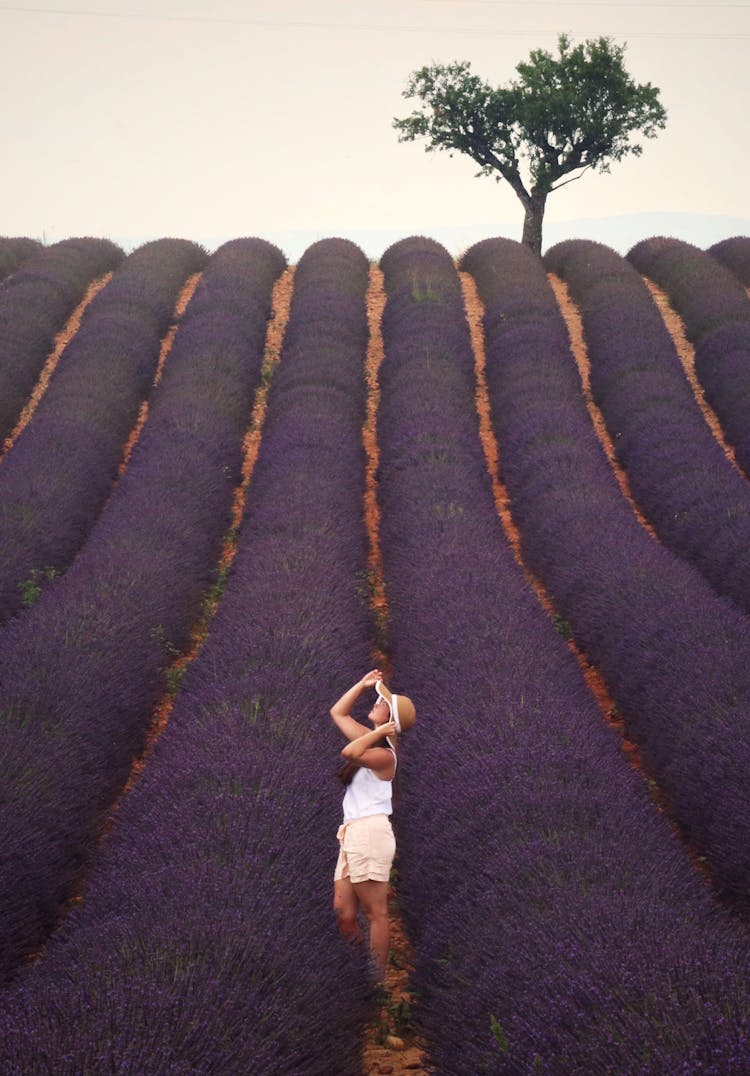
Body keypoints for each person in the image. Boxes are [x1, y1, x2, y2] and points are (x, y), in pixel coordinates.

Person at [330, 668, 416, 980]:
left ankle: (376, 981)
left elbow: (349, 752)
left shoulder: (385, 756)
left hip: (371, 833)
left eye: (381, 700)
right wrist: (361, 683)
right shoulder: (373, 741)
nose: (376, 700)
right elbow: (337, 712)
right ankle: (356, 974)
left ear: (389, 718)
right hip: (351, 832)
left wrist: (380, 733)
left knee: (375, 913)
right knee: (344, 914)